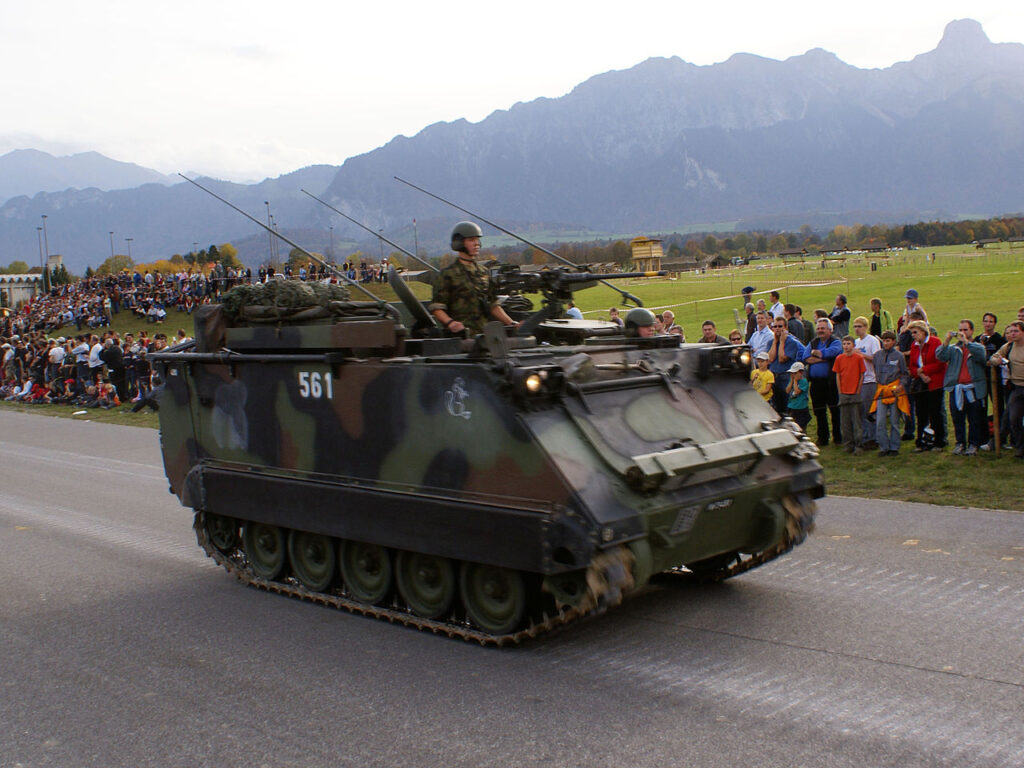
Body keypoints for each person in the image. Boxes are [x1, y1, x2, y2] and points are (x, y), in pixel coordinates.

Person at [429, 222, 517, 335]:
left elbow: (493, 305)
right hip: (460, 338)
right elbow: (437, 307)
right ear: (459, 243)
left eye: (477, 240)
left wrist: (512, 323)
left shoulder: (483, 272)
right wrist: (450, 323)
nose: (477, 244)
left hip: (485, 336)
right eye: (471, 240)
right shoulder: (448, 274)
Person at [936, 319, 987, 456]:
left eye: (966, 330)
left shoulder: (977, 347)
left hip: (974, 389)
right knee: (958, 418)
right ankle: (960, 443)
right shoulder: (954, 349)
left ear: (972, 331)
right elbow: (940, 356)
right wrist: (946, 342)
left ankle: (973, 444)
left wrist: (967, 343)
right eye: (961, 330)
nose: (962, 333)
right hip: (956, 389)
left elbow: (981, 356)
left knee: (974, 419)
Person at [907, 320, 947, 452]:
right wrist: (920, 374)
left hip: (934, 382)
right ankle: (922, 440)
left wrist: (925, 370)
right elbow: (912, 366)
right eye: (911, 333)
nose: (913, 335)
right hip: (920, 383)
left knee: (935, 412)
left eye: (915, 332)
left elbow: (940, 362)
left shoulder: (935, 342)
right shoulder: (914, 346)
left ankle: (939, 441)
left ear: (923, 331)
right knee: (921, 412)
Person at [804, 318, 843, 446]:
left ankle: (838, 437)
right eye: (818, 328)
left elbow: (834, 352)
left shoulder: (836, 342)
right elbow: (805, 357)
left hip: (831, 382)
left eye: (823, 328)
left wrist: (819, 353)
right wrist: (822, 358)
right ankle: (822, 438)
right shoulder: (813, 342)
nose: (820, 331)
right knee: (819, 411)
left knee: (835, 411)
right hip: (816, 383)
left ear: (830, 330)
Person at [989, 320, 1024, 458]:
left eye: (1016, 331)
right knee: (1013, 418)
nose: (1012, 334)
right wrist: (996, 361)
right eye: (1011, 331)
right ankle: (1021, 446)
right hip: (1017, 388)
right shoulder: (1008, 347)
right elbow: (994, 357)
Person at [871, 331, 910, 456]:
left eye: (888, 341)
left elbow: (905, 373)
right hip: (882, 391)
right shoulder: (877, 356)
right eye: (884, 341)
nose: (886, 343)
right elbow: (875, 370)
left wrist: (901, 386)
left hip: (895, 392)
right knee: (880, 421)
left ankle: (894, 447)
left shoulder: (899, 356)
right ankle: (883, 447)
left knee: (894, 421)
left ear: (893, 342)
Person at [976, 312, 1006, 449]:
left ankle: (1000, 438)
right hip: (981, 379)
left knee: (999, 407)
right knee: (981, 408)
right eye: (986, 321)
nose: (988, 324)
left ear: (995, 324)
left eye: (991, 321)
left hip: (996, 379)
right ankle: (983, 437)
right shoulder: (978, 339)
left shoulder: (999, 339)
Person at [833, 336, 866, 454]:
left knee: (856, 421)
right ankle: (848, 444)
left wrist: (858, 389)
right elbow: (837, 375)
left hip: (854, 392)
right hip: (843, 392)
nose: (846, 346)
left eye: (848, 344)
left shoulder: (858, 358)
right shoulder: (839, 358)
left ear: (853, 345)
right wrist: (840, 390)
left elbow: (862, 374)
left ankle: (859, 445)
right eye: (844, 344)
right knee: (845, 421)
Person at [852, 316, 881, 446]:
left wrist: (861, 355)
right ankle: (864, 436)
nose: (857, 329)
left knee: (869, 410)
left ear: (866, 327)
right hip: (859, 380)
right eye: (855, 327)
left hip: (870, 379)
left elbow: (876, 359)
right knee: (860, 410)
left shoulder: (872, 341)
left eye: (860, 326)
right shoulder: (856, 342)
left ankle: (873, 437)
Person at [768, 316, 804, 415]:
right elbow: (770, 359)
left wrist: (782, 342)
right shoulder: (771, 342)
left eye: (780, 326)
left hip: (786, 377)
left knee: (787, 405)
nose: (777, 329)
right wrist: (775, 342)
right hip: (774, 376)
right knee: (776, 406)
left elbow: (782, 358)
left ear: (785, 328)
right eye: (775, 326)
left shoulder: (792, 342)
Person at [786, 361, 810, 431]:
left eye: (795, 373)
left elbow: (797, 392)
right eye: (792, 373)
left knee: (800, 428)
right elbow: (787, 391)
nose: (794, 375)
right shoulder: (792, 380)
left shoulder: (804, 382)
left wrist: (795, 381)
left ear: (801, 373)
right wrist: (791, 381)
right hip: (791, 406)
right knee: (791, 426)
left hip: (801, 408)